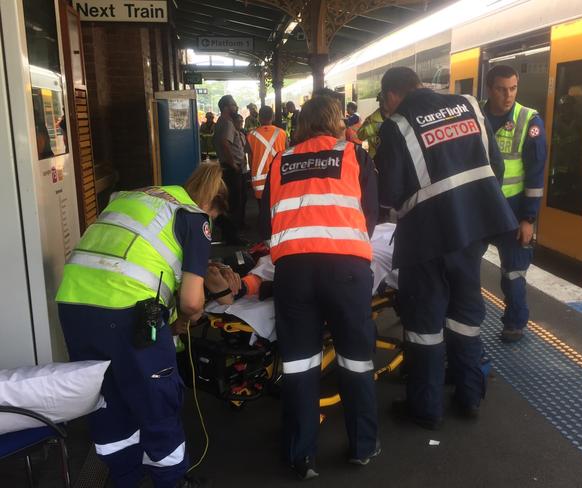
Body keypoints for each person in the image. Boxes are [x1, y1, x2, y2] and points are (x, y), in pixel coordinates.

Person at [55, 162, 238, 488]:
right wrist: (184, 320)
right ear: (212, 207)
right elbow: (192, 302)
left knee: (107, 396)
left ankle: (125, 478)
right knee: (157, 403)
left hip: (73, 303)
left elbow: (140, 265)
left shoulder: (133, 197)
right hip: (126, 314)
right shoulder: (195, 218)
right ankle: (171, 481)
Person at [374, 67, 517, 428]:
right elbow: (494, 167)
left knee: (424, 323)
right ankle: (470, 395)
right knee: (465, 315)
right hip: (471, 233)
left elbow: (391, 192)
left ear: (392, 95)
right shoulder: (467, 104)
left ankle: (426, 408)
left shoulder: (397, 125)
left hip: (425, 239)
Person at [259, 95, 380, 479]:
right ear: (334, 121)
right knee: (355, 360)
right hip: (347, 270)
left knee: (299, 364)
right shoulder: (355, 155)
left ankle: (301, 454)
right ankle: (362, 446)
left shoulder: (281, 161)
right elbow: (371, 217)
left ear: (301, 124)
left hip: (294, 271)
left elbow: (267, 223)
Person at [483, 65, 547, 343]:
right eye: (501, 89)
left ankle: (515, 323)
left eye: (513, 88)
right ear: (489, 89)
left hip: (513, 210)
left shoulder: (529, 120)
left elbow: (535, 173)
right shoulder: (475, 117)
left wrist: (529, 219)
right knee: (463, 268)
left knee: (514, 273)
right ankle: (464, 318)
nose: (508, 96)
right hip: (480, 209)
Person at [213, 95, 247, 245]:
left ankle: (231, 234)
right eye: (233, 105)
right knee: (234, 202)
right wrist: (233, 163)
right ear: (226, 107)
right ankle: (233, 237)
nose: (236, 107)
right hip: (231, 168)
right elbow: (224, 143)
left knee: (231, 200)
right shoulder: (227, 123)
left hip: (227, 166)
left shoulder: (222, 122)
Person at [246, 106, 287, 203]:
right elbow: (286, 153)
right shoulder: (282, 133)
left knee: (262, 209)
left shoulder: (251, 135)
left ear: (259, 118)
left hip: (259, 181)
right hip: (278, 177)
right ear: (272, 117)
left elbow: (250, 158)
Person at [358, 93, 388, 159]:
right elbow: (360, 136)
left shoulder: (397, 118)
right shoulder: (371, 119)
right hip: (374, 159)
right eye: (382, 102)